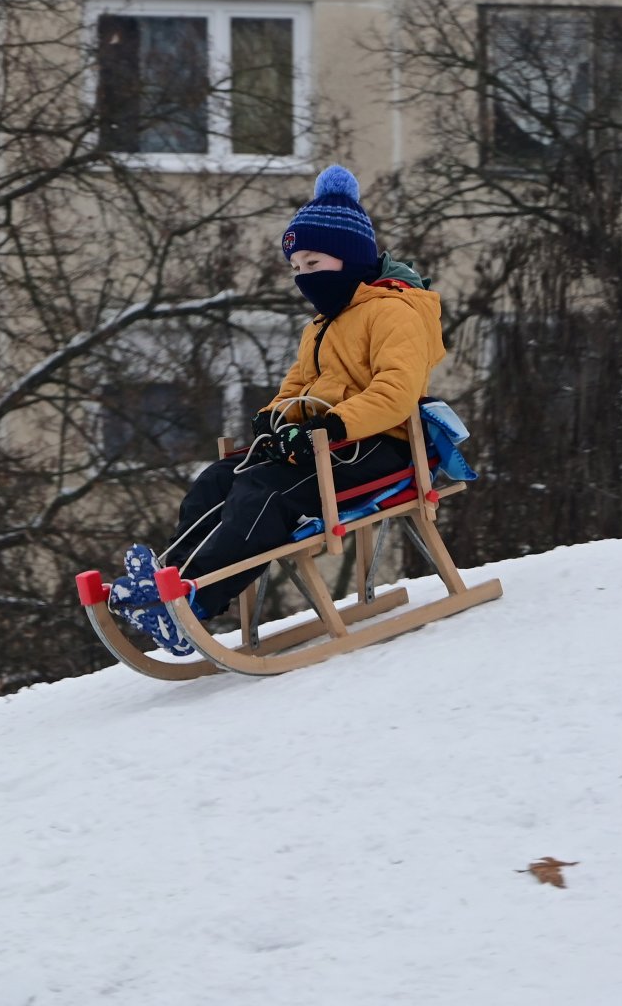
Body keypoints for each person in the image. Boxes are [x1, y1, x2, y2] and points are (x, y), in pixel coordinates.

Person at [106, 164, 444, 654]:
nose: (303, 277)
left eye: (313, 264)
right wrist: (277, 418)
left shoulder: (394, 312)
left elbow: (395, 391)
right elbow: (296, 386)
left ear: (348, 258)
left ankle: (197, 600)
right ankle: (170, 577)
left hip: (380, 444)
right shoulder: (323, 324)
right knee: (221, 477)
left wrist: (331, 425)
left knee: (265, 492)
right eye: (297, 269)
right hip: (328, 445)